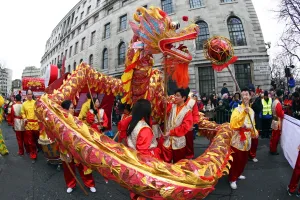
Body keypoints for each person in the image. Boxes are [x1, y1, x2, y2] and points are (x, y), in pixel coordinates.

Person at [126, 99, 161, 200]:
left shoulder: (132, 124)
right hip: (144, 162)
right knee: (144, 189)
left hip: (133, 158)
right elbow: (143, 153)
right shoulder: (144, 128)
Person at [60, 100, 96, 193]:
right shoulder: (60, 121)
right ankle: (70, 184)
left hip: (78, 147)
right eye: (71, 108)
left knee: (84, 166)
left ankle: (90, 183)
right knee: (68, 168)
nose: (73, 109)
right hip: (66, 148)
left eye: (73, 107)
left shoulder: (76, 120)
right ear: (65, 110)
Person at [228, 88, 258, 190]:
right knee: (236, 159)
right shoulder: (237, 110)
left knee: (244, 159)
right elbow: (233, 124)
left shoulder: (252, 111)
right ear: (241, 97)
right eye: (243, 94)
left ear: (250, 97)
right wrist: (243, 114)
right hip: (238, 139)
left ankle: (239, 173)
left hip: (247, 139)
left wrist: (255, 132)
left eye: (247, 94)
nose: (245, 96)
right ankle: (232, 178)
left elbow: (253, 124)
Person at [162, 89, 193, 163]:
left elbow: (184, 127)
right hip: (167, 140)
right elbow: (163, 113)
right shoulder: (171, 106)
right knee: (166, 164)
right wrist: (164, 104)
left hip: (179, 142)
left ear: (184, 98)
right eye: (175, 95)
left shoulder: (187, 111)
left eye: (178, 96)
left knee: (178, 164)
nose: (175, 97)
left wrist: (171, 132)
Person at [21, 90, 39, 163]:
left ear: (32, 95)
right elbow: (22, 112)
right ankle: (33, 155)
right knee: (30, 141)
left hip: (36, 125)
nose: (30, 95)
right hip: (28, 125)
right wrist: (24, 117)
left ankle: (37, 149)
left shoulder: (36, 103)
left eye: (31, 94)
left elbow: (39, 112)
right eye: (28, 94)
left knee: (36, 139)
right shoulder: (24, 104)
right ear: (26, 95)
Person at [184, 88, 200, 159]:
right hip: (178, 125)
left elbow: (195, 113)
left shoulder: (192, 102)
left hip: (188, 126)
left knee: (189, 142)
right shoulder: (176, 101)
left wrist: (194, 123)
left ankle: (189, 156)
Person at [249, 88, 262, 162]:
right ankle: (247, 154)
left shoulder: (258, 100)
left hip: (255, 123)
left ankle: (252, 155)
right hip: (247, 124)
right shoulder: (246, 101)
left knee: (255, 141)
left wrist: (253, 104)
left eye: (251, 92)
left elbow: (259, 109)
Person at [269, 90, 284, 155]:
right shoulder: (278, 102)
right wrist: (283, 111)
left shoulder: (274, 101)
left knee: (273, 136)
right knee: (276, 137)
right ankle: (273, 150)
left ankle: (272, 148)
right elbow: (280, 114)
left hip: (274, 120)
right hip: (277, 121)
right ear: (280, 95)